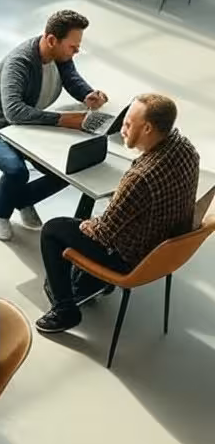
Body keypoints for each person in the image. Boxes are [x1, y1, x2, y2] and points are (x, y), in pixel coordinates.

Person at [37, 93, 200, 334]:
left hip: (133, 257)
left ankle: (65, 310)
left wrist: (87, 224)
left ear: (147, 128)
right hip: (165, 245)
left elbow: (104, 234)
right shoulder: (186, 149)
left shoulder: (140, 178)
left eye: (127, 124)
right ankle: (93, 283)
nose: (121, 129)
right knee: (87, 213)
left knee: (53, 229)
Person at [0, 9, 109, 242]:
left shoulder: (59, 55)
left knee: (68, 170)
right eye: (73, 47)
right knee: (16, 171)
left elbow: (71, 78)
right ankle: (1, 214)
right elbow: (13, 112)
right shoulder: (20, 62)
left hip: (27, 128)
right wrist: (63, 120)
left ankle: (22, 199)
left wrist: (88, 95)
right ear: (52, 40)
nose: (75, 52)